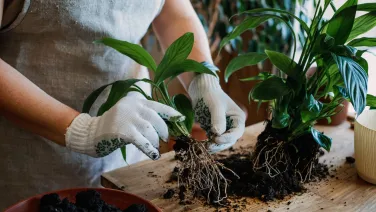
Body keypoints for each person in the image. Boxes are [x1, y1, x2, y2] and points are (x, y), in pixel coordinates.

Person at [0, 0, 246, 208]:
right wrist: (81, 130)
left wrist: (204, 79)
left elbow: (174, 13)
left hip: (130, 138)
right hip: (32, 156)